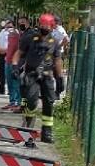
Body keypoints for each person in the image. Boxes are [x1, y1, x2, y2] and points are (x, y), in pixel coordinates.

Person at [13, 13, 63, 144]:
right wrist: (15, 66)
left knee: (49, 103)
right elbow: (19, 53)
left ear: (52, 27)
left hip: (47, 76)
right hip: (32, 74)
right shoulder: (29, 38)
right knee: (31, 101)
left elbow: (57, 59)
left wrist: (60, 77)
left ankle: (47, 134)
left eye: (47, 25)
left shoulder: (54, 42)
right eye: (42, 24)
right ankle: (27, 130)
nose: (44, 27)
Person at [4, 17, 27, 112]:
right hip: (7, 61)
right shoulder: (9, 35)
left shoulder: (19, 35)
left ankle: (18, 102)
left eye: (10, 26)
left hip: (16, 63)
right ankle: (12, 101)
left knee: (16, 84)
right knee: (9, 83)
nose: (9, 28)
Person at [50, 15, 70, 99]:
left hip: (58, 54)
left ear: (56, 22)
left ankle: (58, 92)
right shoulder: (54, 29)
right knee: (53, 73)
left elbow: (67, 39)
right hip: (52, 53)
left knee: (57, 73)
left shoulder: (60, 30)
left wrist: (59, 46)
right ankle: (53, 92)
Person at [0, 21, 11, 95]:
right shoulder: (2, 31)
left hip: (8, 54)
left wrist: (6, 50)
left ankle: (10, 90)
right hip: (1, 54)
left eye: (8, 23)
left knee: (8, 72)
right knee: (1, 72)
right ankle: (1, 88)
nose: (6, 24)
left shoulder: (13, 32)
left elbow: (13, 44)